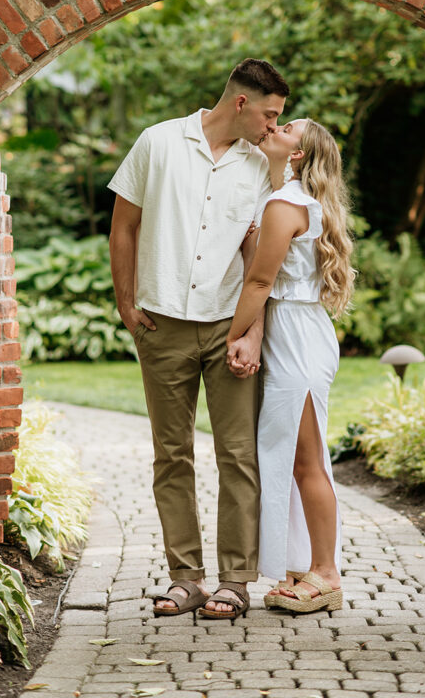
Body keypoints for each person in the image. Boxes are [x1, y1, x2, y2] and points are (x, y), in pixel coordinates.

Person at [108, 58, 289, 620]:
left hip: (227, 324)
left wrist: (253, 332)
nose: (273, 126)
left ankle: (236, 580)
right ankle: (185, 578)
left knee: (238, 454)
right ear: (241, 103)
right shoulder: (158, 144)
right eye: (269, 114)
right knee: (172, 454)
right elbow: (124, 226)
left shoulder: (262, 166)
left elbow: (261, 258)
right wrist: (126, 302)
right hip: (161, 323)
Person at [226, 118, 355, 613]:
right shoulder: (290, 199)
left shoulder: (287, 204)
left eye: (287, 127)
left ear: (297, 154)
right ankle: (305, 565)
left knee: (307, 458)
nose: (274, 126)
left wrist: (234, 336)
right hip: (298, 330)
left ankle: (326, 574)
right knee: (289, 455)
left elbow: (260, 283)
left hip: (296, 339)